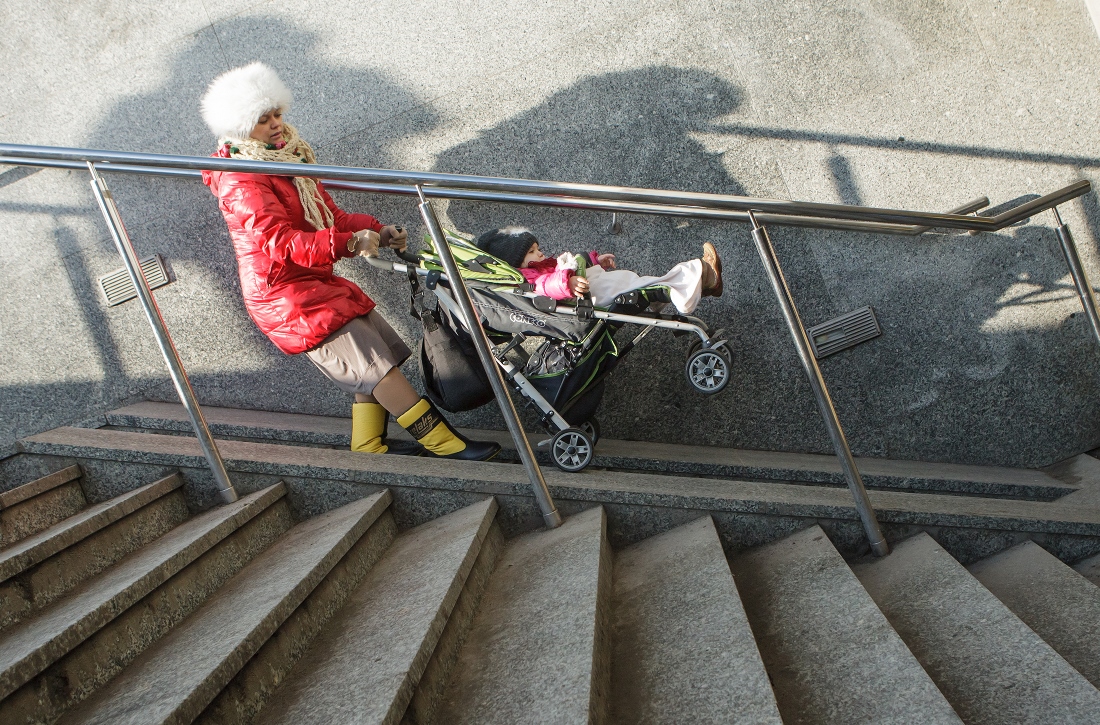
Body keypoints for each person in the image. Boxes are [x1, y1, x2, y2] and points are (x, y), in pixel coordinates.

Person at [199, 62, 499, 461]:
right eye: (262, 119)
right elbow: (279, 242)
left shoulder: (287, 156)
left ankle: (368, 445)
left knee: (370, 362)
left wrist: (377, 230)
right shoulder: (240, 177)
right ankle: (443, 443)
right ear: (239, 127)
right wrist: (347, 244)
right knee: (375, 366)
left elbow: (330, 216)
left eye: (277, 114)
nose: (275, 125)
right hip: (284, 295)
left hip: (310, 283)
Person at [475, 227, 723, 313]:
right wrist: (568, 284)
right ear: (514, 262)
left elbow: (570, 267)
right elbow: (546, 287)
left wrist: (594, 260)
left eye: (537, 248)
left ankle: (700, 282)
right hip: (591, 297)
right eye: (531, 252)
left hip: (595, 288)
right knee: (647, 286)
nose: (539, 253)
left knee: (647, 283)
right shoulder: (528, 279)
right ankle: (701, 271)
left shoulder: (543, 266)